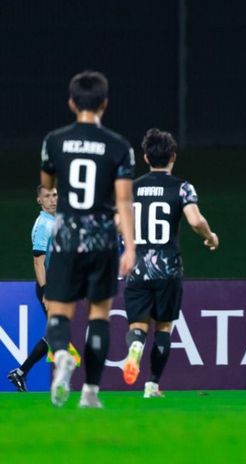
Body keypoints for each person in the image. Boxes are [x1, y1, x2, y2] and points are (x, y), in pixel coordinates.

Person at [40, 70, 136, 408]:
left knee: (58, 313)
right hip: (102, 240)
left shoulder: (54, 141)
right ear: (104, 104)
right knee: (99, 316)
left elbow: (47, 185)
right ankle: (90, 392)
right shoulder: (119, 146)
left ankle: (61, 356)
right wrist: (131, 247)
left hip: (67, 237)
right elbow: (124, 201)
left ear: (71, 103)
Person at [122, 128, 219, 398]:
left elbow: (118, 223)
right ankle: (152, 385)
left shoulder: (132, 188)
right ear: (173, 156)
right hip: (168, 268)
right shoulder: (182, 186)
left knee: (138, 326)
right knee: (163, 326)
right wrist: (210, 236)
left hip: (137, 267)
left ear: (145, 157)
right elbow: (195, 220)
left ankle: (135, 347)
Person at [7, 186, 82, 391]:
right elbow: (38, 262)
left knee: (56, 335)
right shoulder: (43, 225)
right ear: (39, 200)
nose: (52, 200)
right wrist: (46, 290)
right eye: (47, 196)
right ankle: (58, 380)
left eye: (55, 195)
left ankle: (20, 374)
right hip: (49, 288)